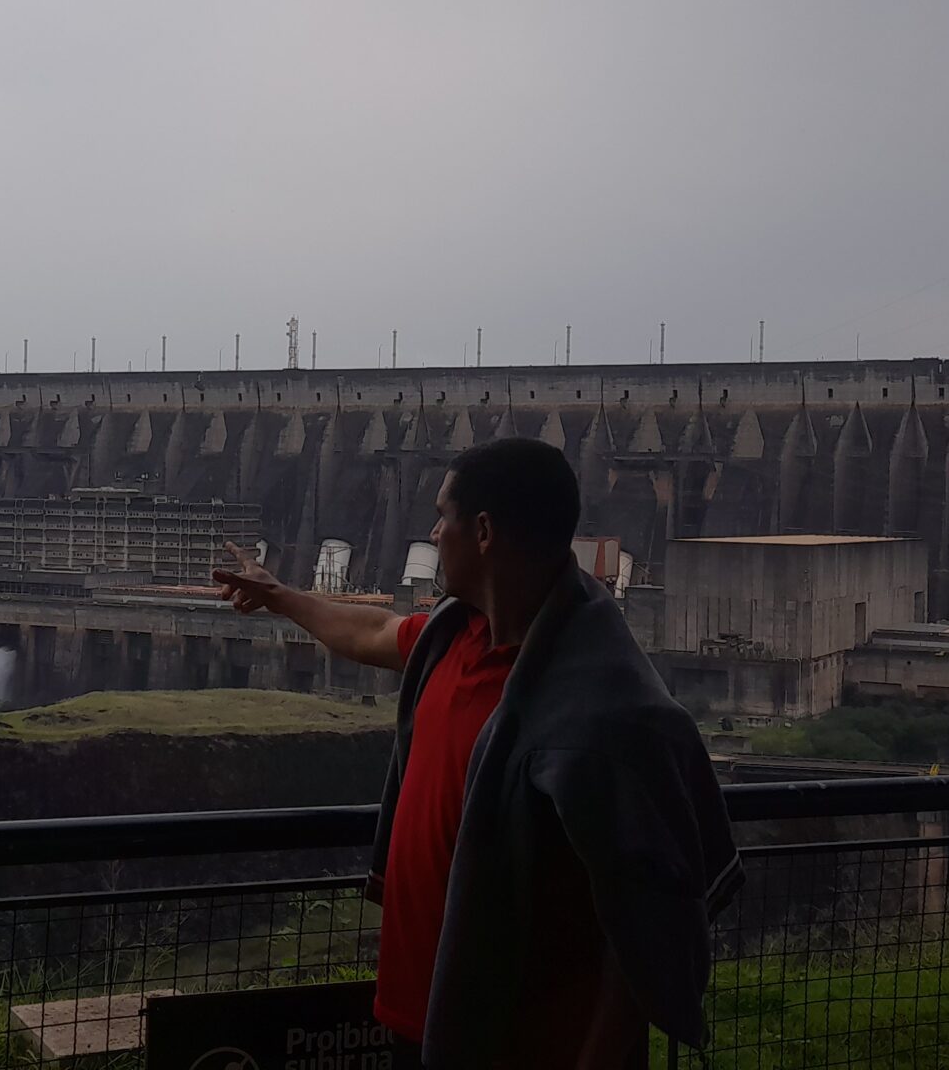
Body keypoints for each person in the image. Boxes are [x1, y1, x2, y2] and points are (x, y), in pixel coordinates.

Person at [214, 437, 741, 1069]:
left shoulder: (602, 707)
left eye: (444, 516)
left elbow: (641, 927)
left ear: (484, 531)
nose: (434, 534)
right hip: (427, 1014)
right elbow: (375, 630)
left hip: (524, 1042)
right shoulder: (455, 633)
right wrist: (279, 596)